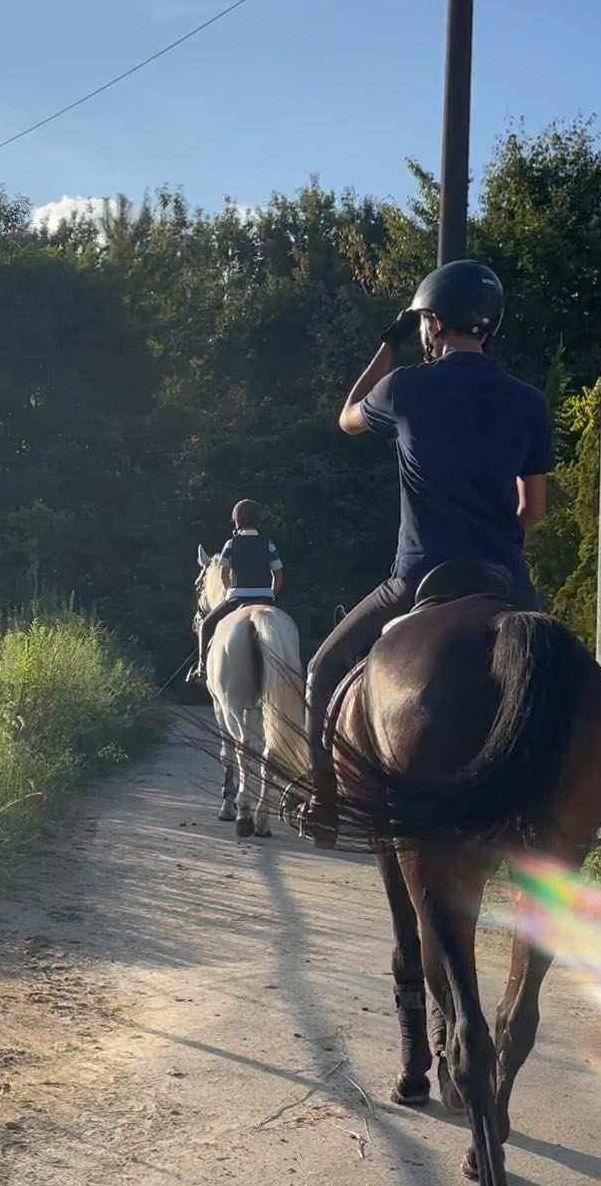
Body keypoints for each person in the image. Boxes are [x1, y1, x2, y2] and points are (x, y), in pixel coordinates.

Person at [304, 258, 553, 844]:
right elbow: (533, 510)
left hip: (416, 579)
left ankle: (324, 810)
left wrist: (389, 345)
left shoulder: (406, 386)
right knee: (560, 677)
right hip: (506, 581)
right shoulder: (528, 402)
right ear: (486, 326)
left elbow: (345, 419)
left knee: (320, 672)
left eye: (422, 322)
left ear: (434, 324)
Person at [187, 499, 284, 683]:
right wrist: (272, 594)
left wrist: (230, 591)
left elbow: (224, 573)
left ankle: (201, 668)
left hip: (236, 599)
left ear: (237, 522)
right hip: (265, 599)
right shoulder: (269, 544)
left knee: (206, 626)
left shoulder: (231, 544)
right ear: (258, 521)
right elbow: (277, 574)